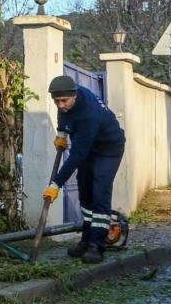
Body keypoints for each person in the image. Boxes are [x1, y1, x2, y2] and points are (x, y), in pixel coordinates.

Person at [41, 75, 125, 264]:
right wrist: (61, 133)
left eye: (64, 100)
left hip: (108, 149)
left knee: (99, 192)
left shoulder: (89, 114)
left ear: (75, 96)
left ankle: (97, 245)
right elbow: (63, 114)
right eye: (57, 101)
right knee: (85, 191)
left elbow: (77, 156)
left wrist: (56, 184)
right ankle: (86, 239)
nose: (60, 104)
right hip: (89, 147)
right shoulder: (67, 97)